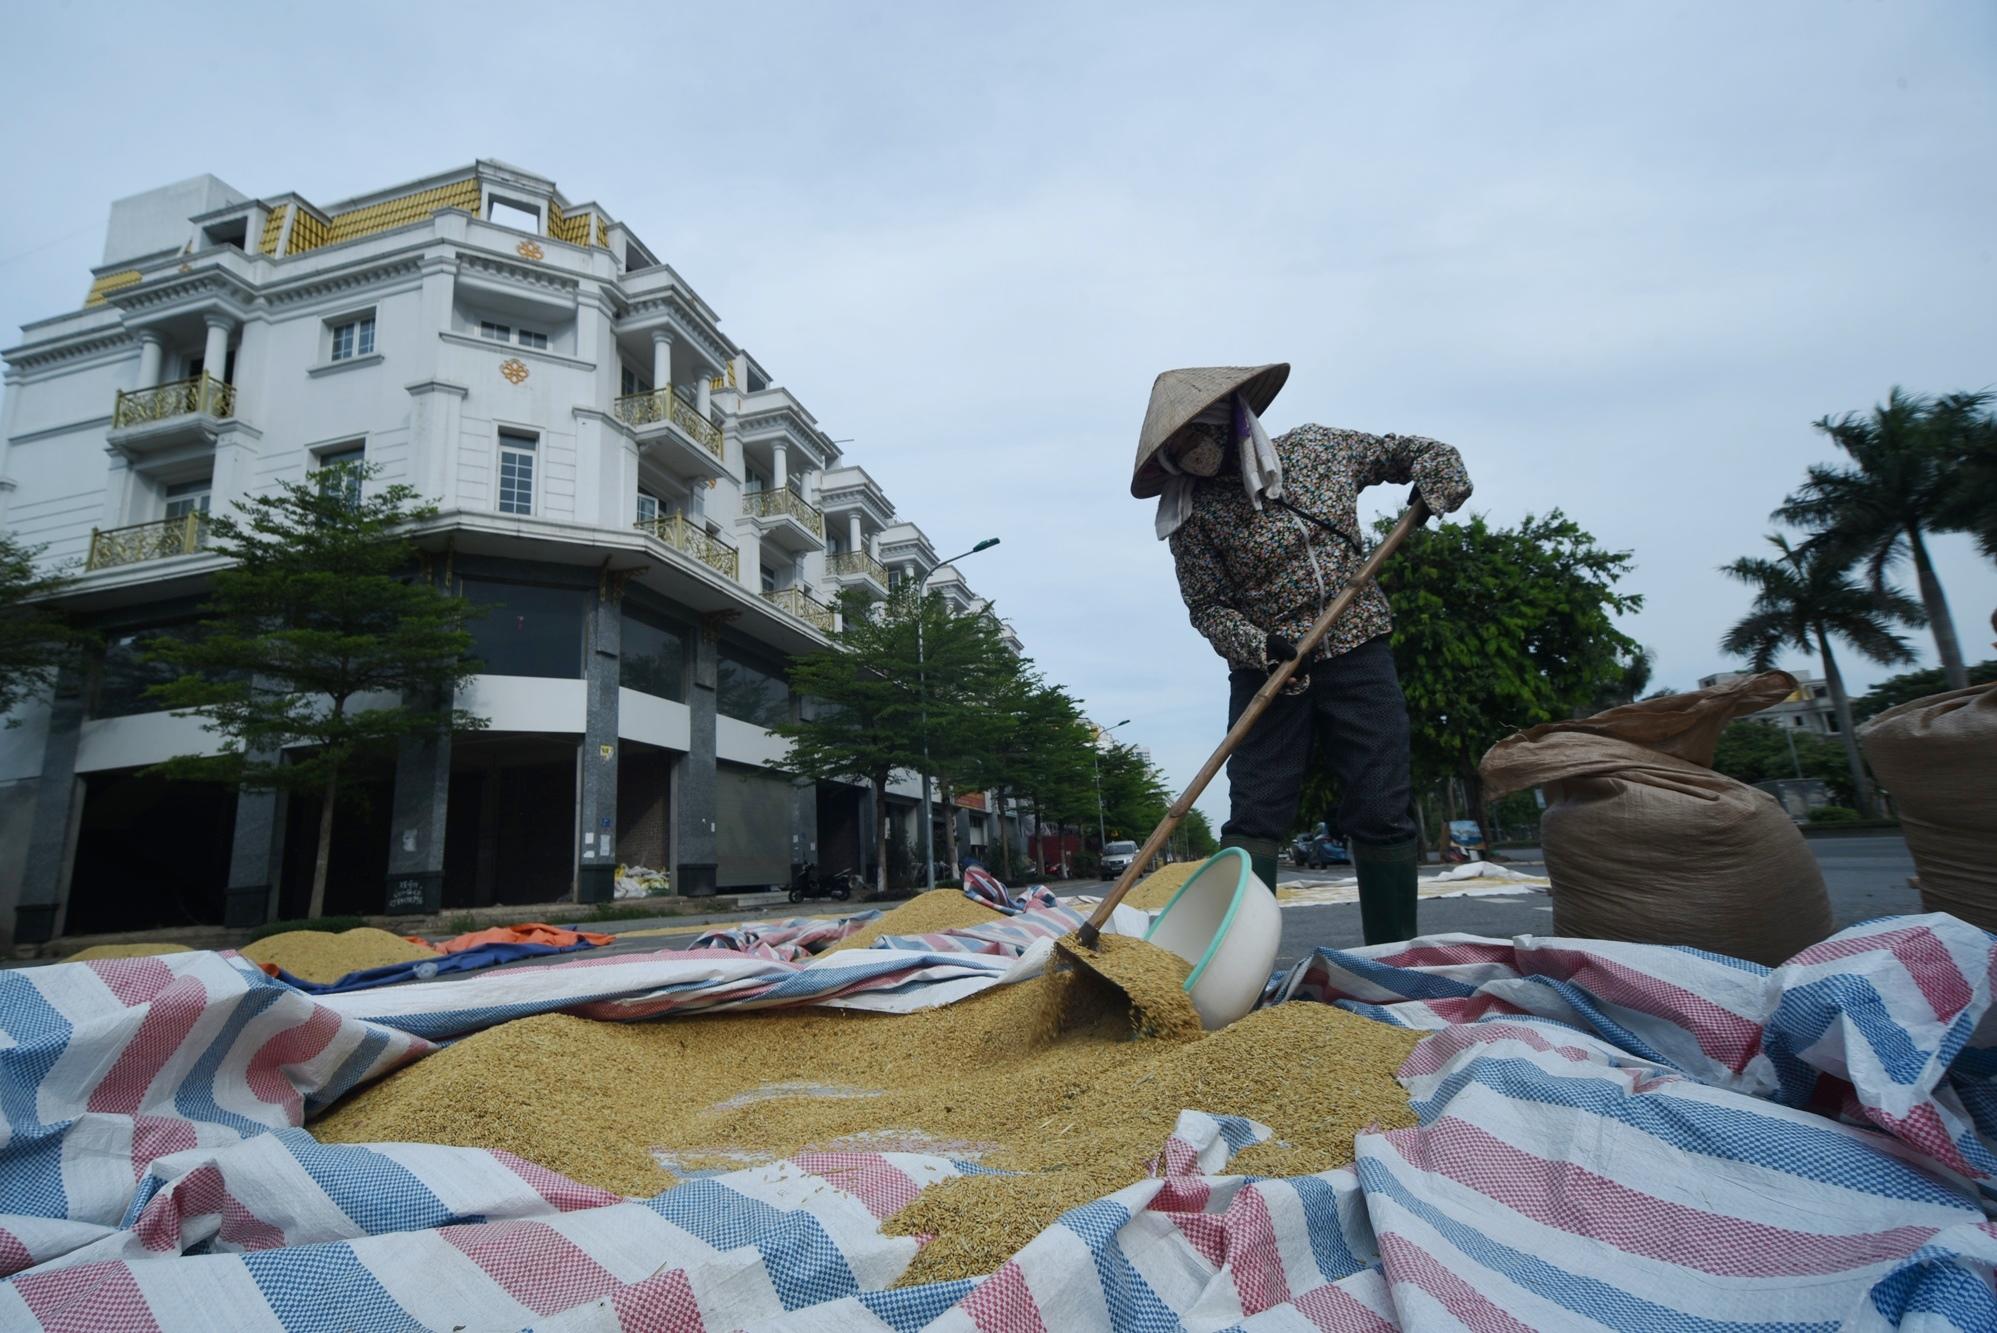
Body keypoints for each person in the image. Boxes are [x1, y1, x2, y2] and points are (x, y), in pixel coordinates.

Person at [1133, 364, 1472, 944]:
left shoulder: (1318, 450)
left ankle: (1391, 957)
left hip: (1356, 645)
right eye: (1177, 449)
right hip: (1269, 668)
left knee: (1380, 798)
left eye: (1195, 437)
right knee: (1256, 810)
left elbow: (1408, 453)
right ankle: (1239, 958)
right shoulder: (1192, 517)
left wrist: (1437, 471)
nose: (1189, 456)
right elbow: (1208, 606)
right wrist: (1257, 645)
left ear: (1228, 423)